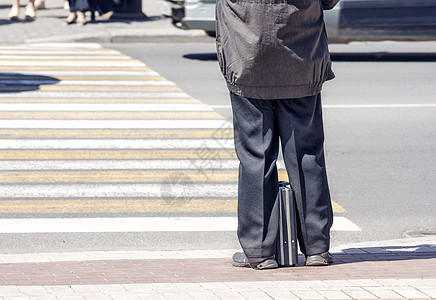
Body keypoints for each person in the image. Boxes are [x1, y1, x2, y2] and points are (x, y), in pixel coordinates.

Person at [215, 0, 340, 269]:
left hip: (247, 53)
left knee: (256, 155)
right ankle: (316, 247)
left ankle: (259, 250)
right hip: (301, 53)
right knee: (306, 152)